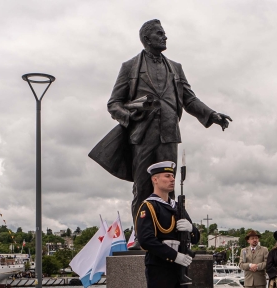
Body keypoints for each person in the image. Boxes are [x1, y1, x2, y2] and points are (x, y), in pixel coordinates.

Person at [90, 19, 232, 227]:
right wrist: (129, 116)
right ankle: (142, 235)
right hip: (142, 135)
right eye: (159, 33)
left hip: (169, 134)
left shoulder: (176, 68)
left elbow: (189, 99)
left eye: (164, 33)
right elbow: (114, 104)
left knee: (168, 187)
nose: (165, 37)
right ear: (147, 39)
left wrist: (212, 115)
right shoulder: (130, 67)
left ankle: (168, 232)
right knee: (143, 187)